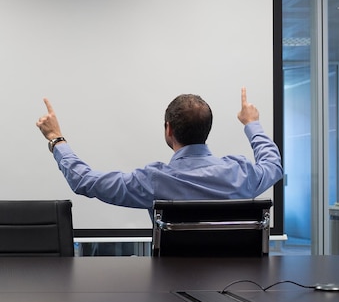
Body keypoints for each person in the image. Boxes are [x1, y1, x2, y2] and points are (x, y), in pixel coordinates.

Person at [35, 87, 282, 210]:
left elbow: (85, 182)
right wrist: (252, 124)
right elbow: (273, 165)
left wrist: (56, 138)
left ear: (168, 129)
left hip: (172, 291)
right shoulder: (242, 173)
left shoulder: (154, 181)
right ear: (208, 129)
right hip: (233, 289)